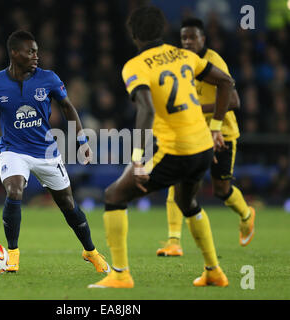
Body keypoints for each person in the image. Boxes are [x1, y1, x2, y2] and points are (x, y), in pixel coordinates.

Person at [88, 6, 234, 289]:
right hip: (203, 147)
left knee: (115, 195)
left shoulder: (136, 65)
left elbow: (146, 110)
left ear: (133, 35)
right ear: (164, 30)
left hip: (176, 151)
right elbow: (227, 82)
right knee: (187, 202)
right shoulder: (186, 56)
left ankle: (120, 274)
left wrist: (138, 159)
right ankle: (214, 271)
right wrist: (216, 128)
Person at [0, 30, 110, 275]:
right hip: (14, 150)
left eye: (37, 50)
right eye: (30, 51)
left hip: (46, 153)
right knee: (14, 189)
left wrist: (83, 140)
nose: (36, 55)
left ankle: (90, 251)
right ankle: (13, 254)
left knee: (68, 204)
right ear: (15, 53)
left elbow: (68, 108)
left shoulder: (49, 79)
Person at [156, 18, 256, 258]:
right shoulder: (180, 62)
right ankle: (174, 241)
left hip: (223, 133)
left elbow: (234, 100)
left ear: (203, 39)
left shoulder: (214, 62)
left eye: (192, 37)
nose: (188, 42)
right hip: (193, 133)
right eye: (184, 38)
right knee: (177, 181)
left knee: (221, 190)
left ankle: (246, 215)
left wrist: (202, 113)